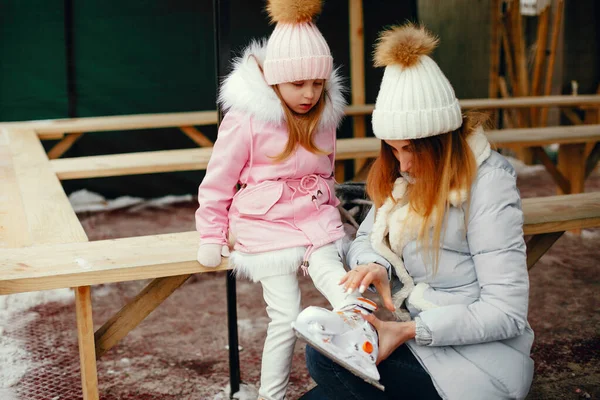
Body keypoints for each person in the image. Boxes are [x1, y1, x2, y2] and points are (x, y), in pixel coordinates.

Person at [301, 23, 535, 400]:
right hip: (418, 339)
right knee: (323, 371)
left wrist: (411, 331)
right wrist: (379, 266)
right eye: (393, 149)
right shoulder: (402, 178)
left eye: (410, 149)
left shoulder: (488, 183)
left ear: (439, 141)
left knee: (324, 361)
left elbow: (505, 313)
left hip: (476, 361)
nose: (403, 163)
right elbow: (364, 238)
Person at [194, 1, 378, 398]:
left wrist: (333, 212)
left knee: (346, 292)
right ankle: (270, 396)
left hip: (314, 221)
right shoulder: (246, 119)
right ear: (275, 81)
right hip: (265, 226)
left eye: (317, 83)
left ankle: (362, 359)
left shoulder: (325, 115)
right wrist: (211, 233)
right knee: (285, 315)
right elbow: (217, 181)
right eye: (298, 84)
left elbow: (326, 173)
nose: (310, 94)